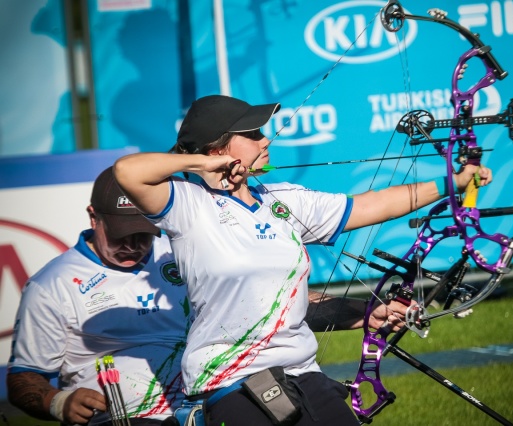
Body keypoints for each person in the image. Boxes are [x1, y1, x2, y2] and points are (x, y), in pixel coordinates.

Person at [112, 94, 492, 426]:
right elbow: (127, 172)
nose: (266, 140)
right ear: (217, 149)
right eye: (254, 135)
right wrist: (200, 164)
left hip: (303, 372)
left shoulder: (285, 200)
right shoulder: (188, 206)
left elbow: (375, 204)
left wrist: (453, 181)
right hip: (230, 381)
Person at [6, 166, 192, 426]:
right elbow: (24, 377)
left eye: (142, 234)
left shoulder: (178, 252)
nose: (131, 246)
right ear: (94, 218)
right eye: (120, 234)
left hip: (201, 402)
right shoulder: (51, 285)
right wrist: (59, 402)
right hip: (124, 419)